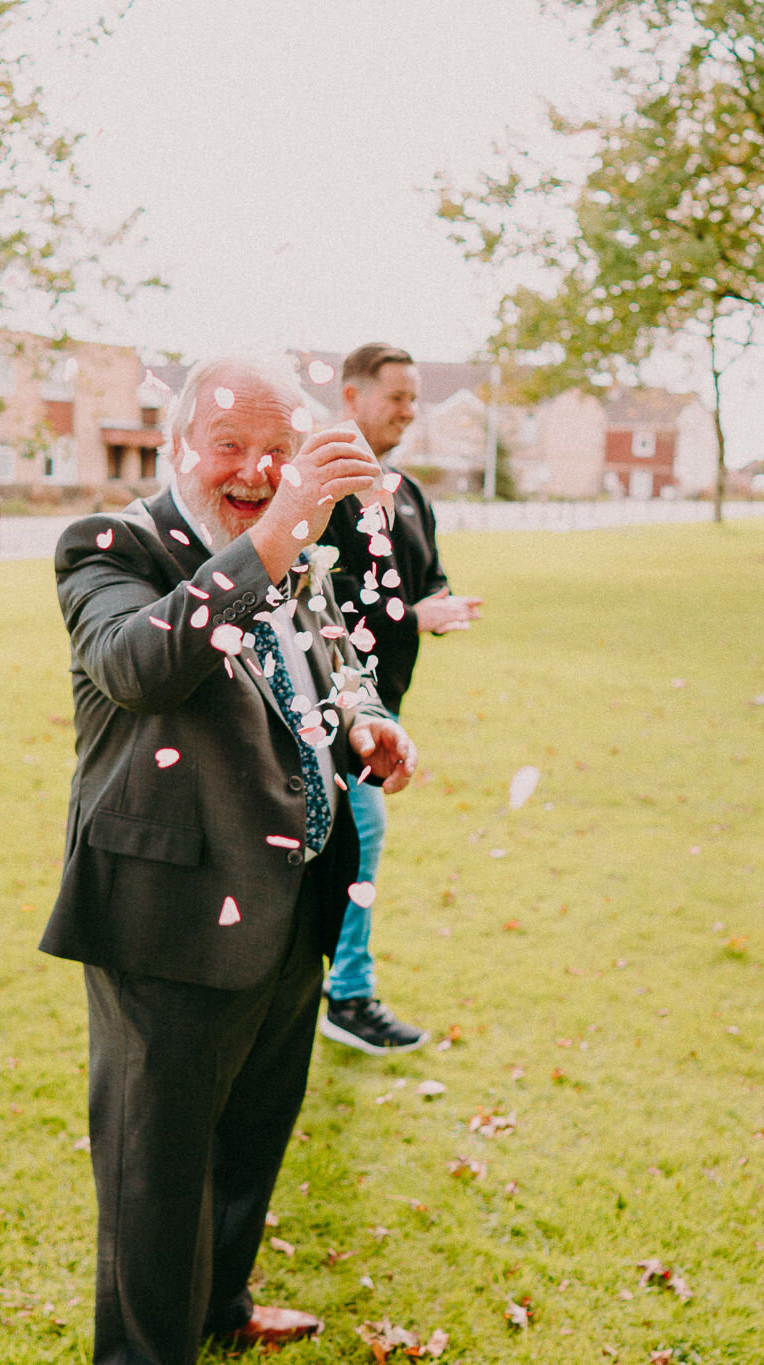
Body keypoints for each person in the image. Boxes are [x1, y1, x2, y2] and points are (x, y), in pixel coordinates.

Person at [41, 356, 419, 1365]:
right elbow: (139, 668)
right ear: (176, 450)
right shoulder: (109, 545)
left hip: (291, 905)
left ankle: (222, 1307)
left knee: (250, 1137)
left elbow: (331, 661)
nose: (256, 470)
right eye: (228, 447)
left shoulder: (287, 556)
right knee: (152, 1177)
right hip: (165, 920)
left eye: (278, 451)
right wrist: (279, 527)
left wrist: (367, 722)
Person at [313, 343, 482, 1054]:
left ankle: (313, 985)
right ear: (352, 398)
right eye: (397, 398)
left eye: (416, 399)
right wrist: (412, 616)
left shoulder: (409, 495)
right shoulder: (322, 491)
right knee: (363, 832)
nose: (410, 412)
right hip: (330, 704)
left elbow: (427, 582)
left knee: (344, 839)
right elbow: (320, 602)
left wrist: (440, 606)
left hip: (389, 705)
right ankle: (345, 995)